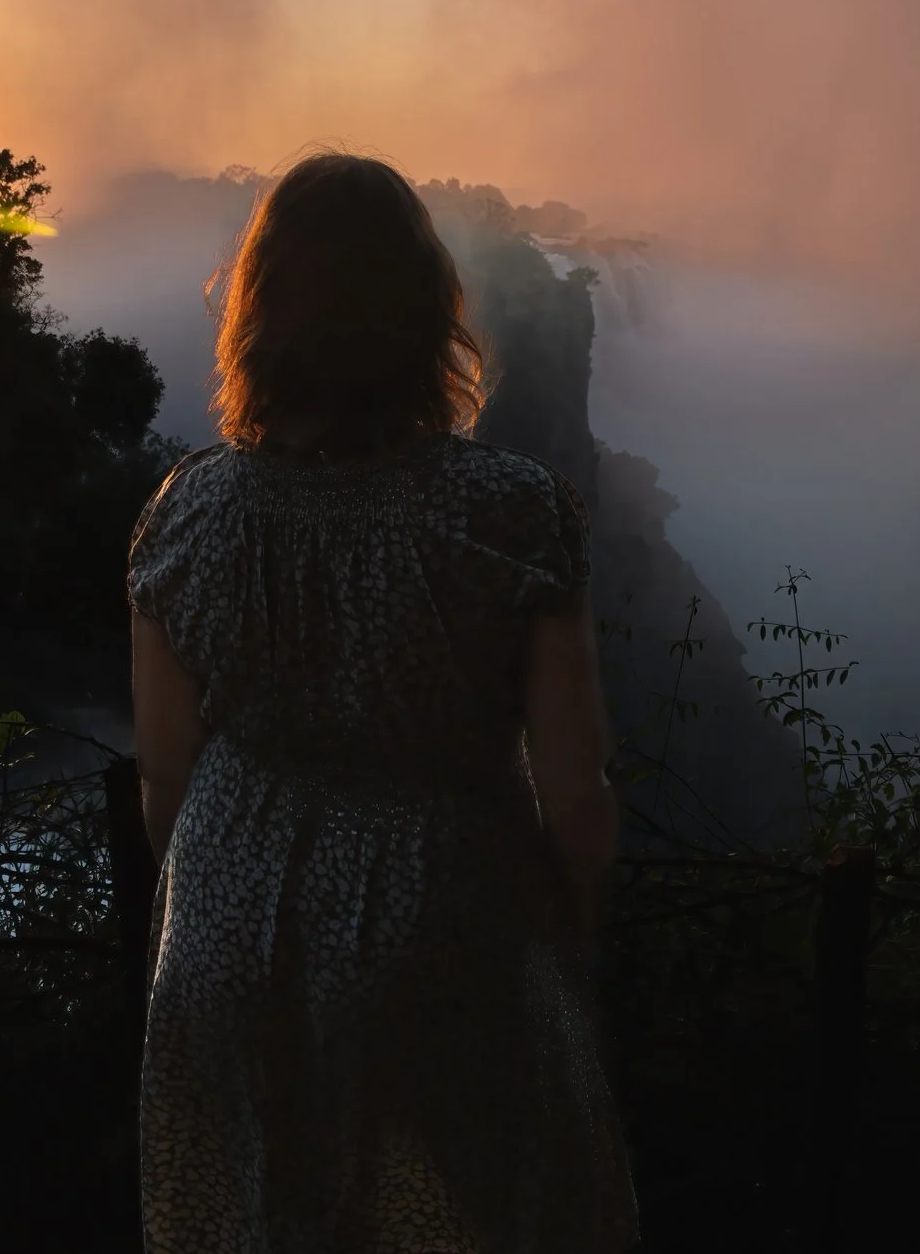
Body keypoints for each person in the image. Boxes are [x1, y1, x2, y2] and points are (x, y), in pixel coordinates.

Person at [127, 152, 638, 1254]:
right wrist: (567, 941)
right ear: (428, 313)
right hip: (444, 927)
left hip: (221, 931)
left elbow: (164, 774)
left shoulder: (184, 513)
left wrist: (225, 891)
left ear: (255, 311)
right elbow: (575, 788)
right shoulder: (509, 510)